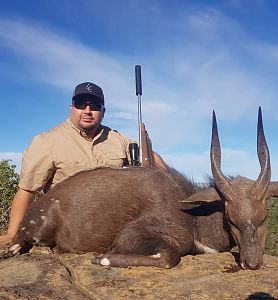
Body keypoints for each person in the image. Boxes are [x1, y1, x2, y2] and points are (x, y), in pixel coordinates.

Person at [0, 82, 167, 246]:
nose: (87, 111)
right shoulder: (46, 142)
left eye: (94, 106)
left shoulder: (118, 139)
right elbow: (27, 191)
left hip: (114, 228)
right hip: (71, 230)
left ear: (103, 111)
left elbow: (149, 156)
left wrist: (161, 171)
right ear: (71, 108)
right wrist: (12, 234)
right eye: (81, 104)